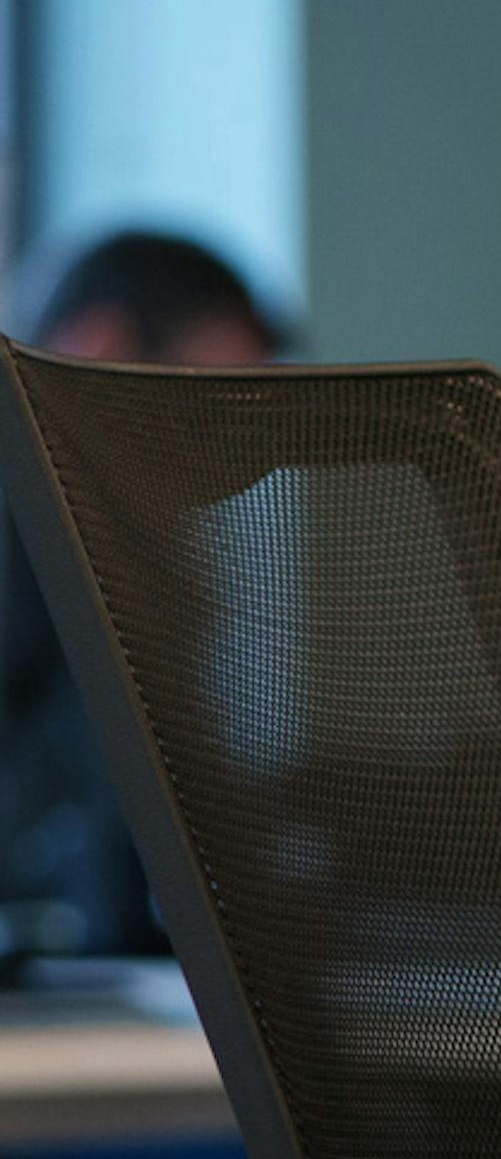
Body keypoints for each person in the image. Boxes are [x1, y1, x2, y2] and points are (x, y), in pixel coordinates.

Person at [0, 231, 287, 965]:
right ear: (98, 345)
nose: (220, 447)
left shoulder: (143, 554)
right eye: (198, 402)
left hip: (107, 968)